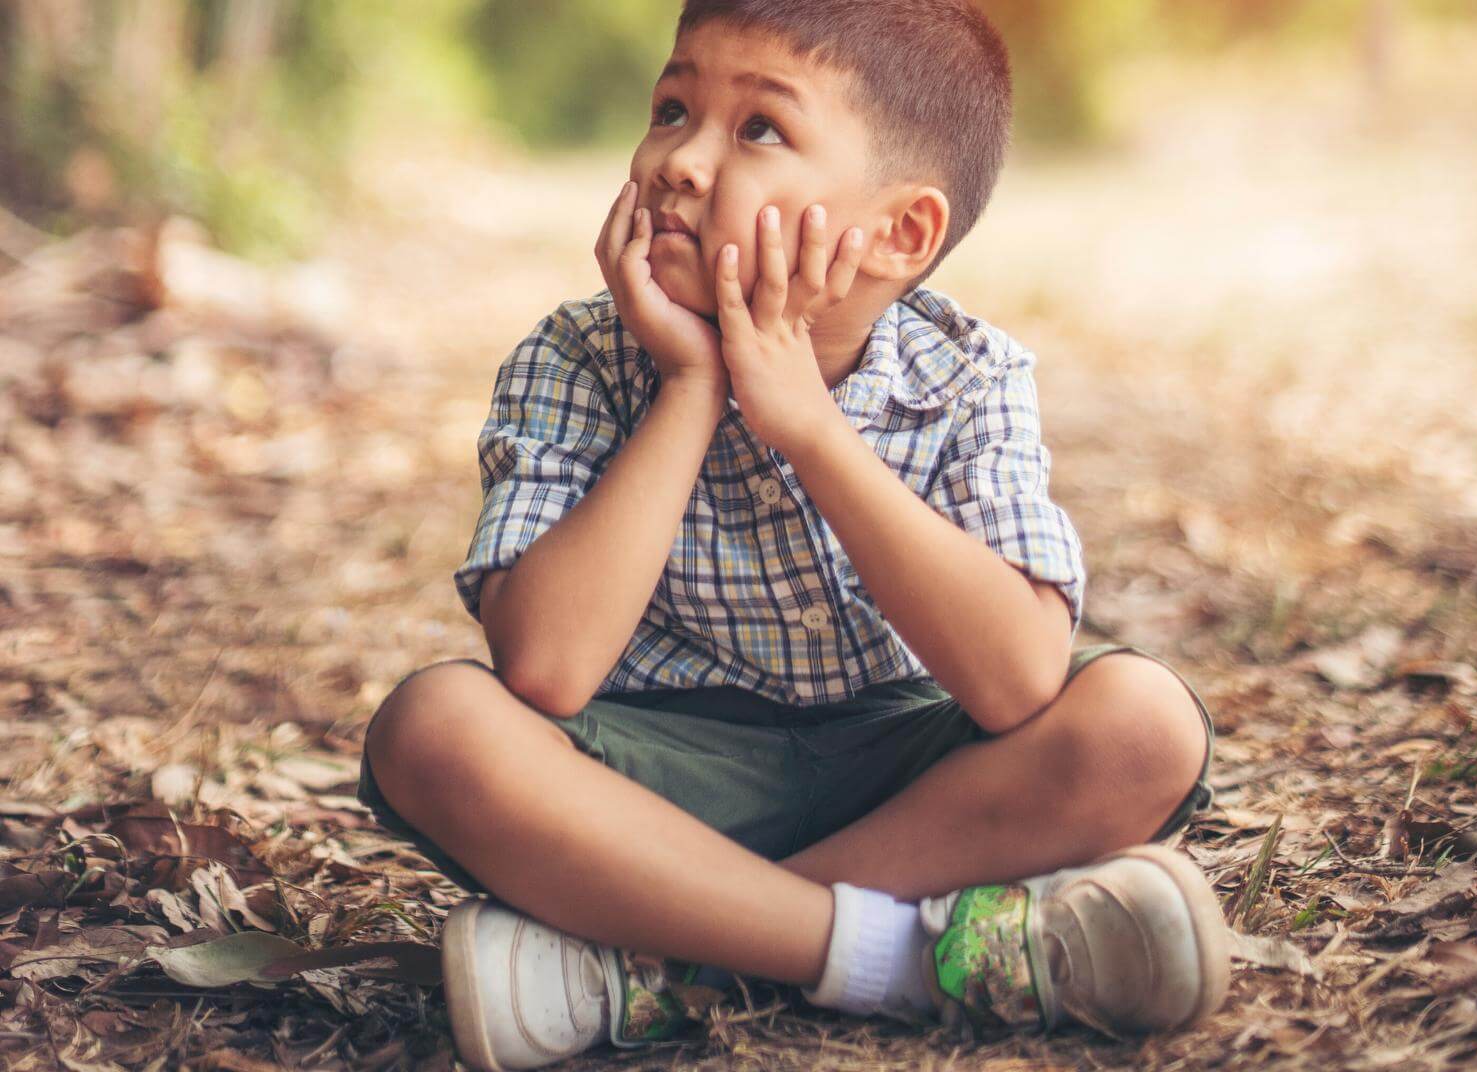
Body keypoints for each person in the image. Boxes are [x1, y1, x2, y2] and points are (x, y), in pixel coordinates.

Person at [357, 2, 1231, 1068]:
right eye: (673, 107)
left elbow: (1014, 682)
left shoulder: (968, 375)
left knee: (1141, 722)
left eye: (758, 128)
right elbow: (543, 668)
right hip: (651, 790)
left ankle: (664, 963)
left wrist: (810, 430)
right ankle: (907, 957)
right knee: (437, 726)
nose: (680, 160)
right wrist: (690, 386)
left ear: (901, 234)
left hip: (915, 790)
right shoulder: (578, 358)